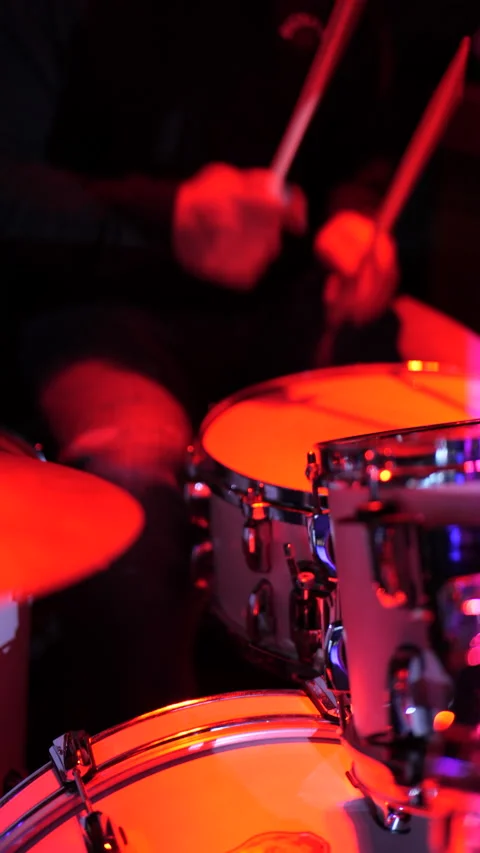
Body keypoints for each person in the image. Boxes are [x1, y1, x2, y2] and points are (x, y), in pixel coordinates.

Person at [0, 0, 477, 772]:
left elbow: (368, 152)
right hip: (102, 300)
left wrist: (359, 219)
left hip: (291, 308)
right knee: (134, 477)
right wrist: (170, 217)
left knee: (456, 424)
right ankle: (146, 769)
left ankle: (398, 758)